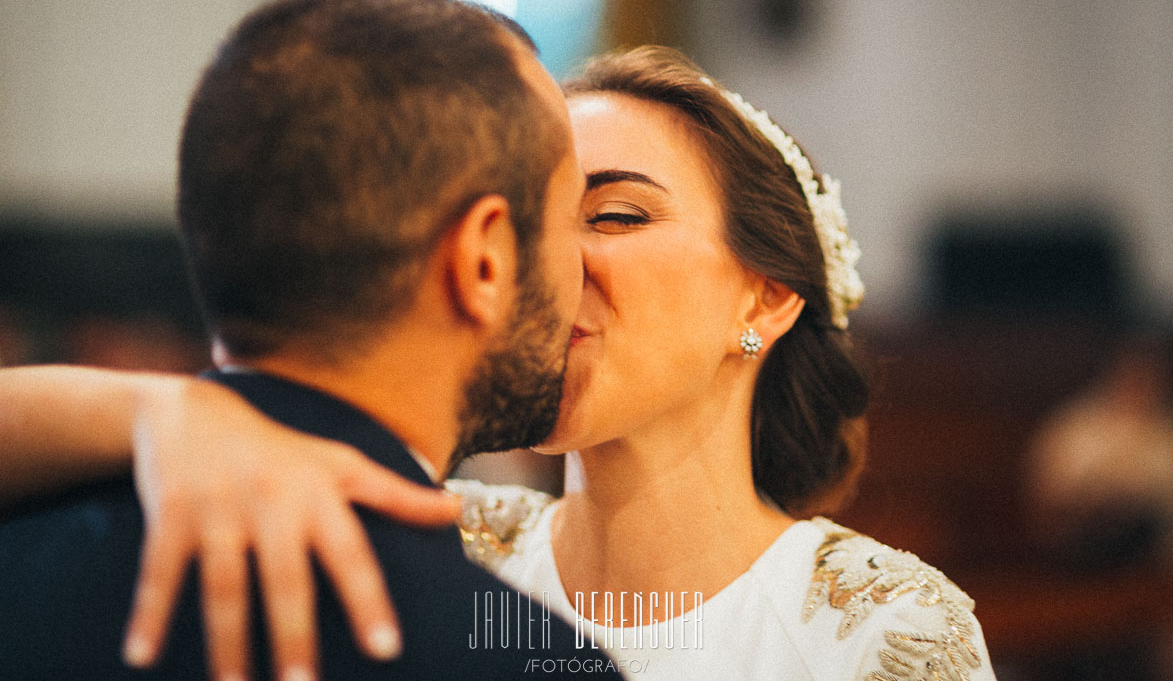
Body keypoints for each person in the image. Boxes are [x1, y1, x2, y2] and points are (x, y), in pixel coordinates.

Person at [0, 47, 996, 680]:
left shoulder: (884, 630)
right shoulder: (445, 527)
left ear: (768, 293)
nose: (552, 265)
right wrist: (169, 414)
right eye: (536, 223)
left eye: (614, 214)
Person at [0, 0, 621, 680]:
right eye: (576, 219)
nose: (589, 267)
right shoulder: (516, 660)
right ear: (484, 259)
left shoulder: (23, 543)